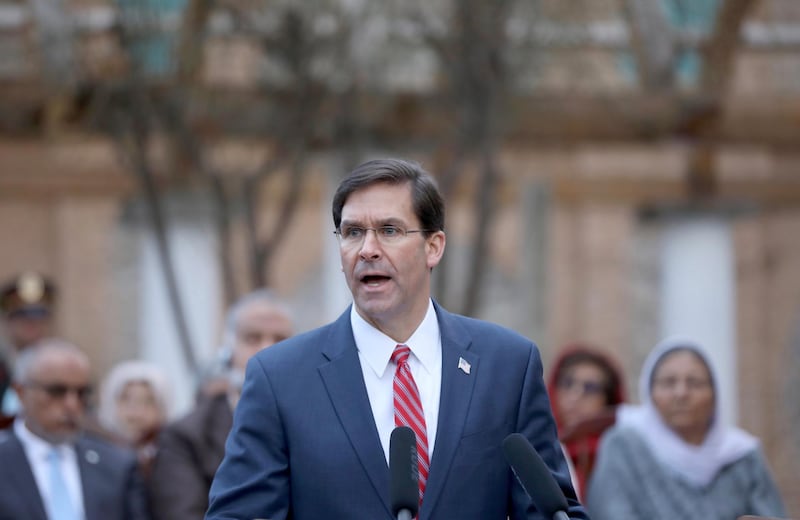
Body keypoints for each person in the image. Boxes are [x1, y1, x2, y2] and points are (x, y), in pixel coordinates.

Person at [206, 158, 587, 520]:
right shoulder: (280, 378)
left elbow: (550, 507)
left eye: (389, 230)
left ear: (433, 247)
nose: (368, 250)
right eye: (353, 232)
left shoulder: (507, 366)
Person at [587, 337, 786, 520]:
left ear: (714, 393)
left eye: (694, 383)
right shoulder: (623, 446)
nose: (681, 393)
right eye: (668, 383)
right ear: (649, 391)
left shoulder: (742, 455)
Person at [148, 289, 294, 520]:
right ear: (227, 353)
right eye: (252, 338)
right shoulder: (186, 436)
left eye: (280, 340)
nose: (267, 350)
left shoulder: (325, 423)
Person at [0, 338, 150, 520]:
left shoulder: (117, 466)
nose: (72, 404)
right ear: (21, 392)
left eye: (81, 393)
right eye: (56, 391)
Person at [546, 344, 625, 500]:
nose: (575, 395)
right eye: (568, 383)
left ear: (608, 400)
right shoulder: (538, 449)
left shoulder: (621, 457)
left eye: (590, 387)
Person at [97, 360, 174, 478]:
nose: (136, 413)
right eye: (126, 399)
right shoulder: (96, 452)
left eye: (148, 401)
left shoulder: (173, 454)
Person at [0, 272, 57, 420]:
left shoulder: (62, 365)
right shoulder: (3, 363)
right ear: (8, 320)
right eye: (23, 317)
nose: (32, 324)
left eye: (39, 317)